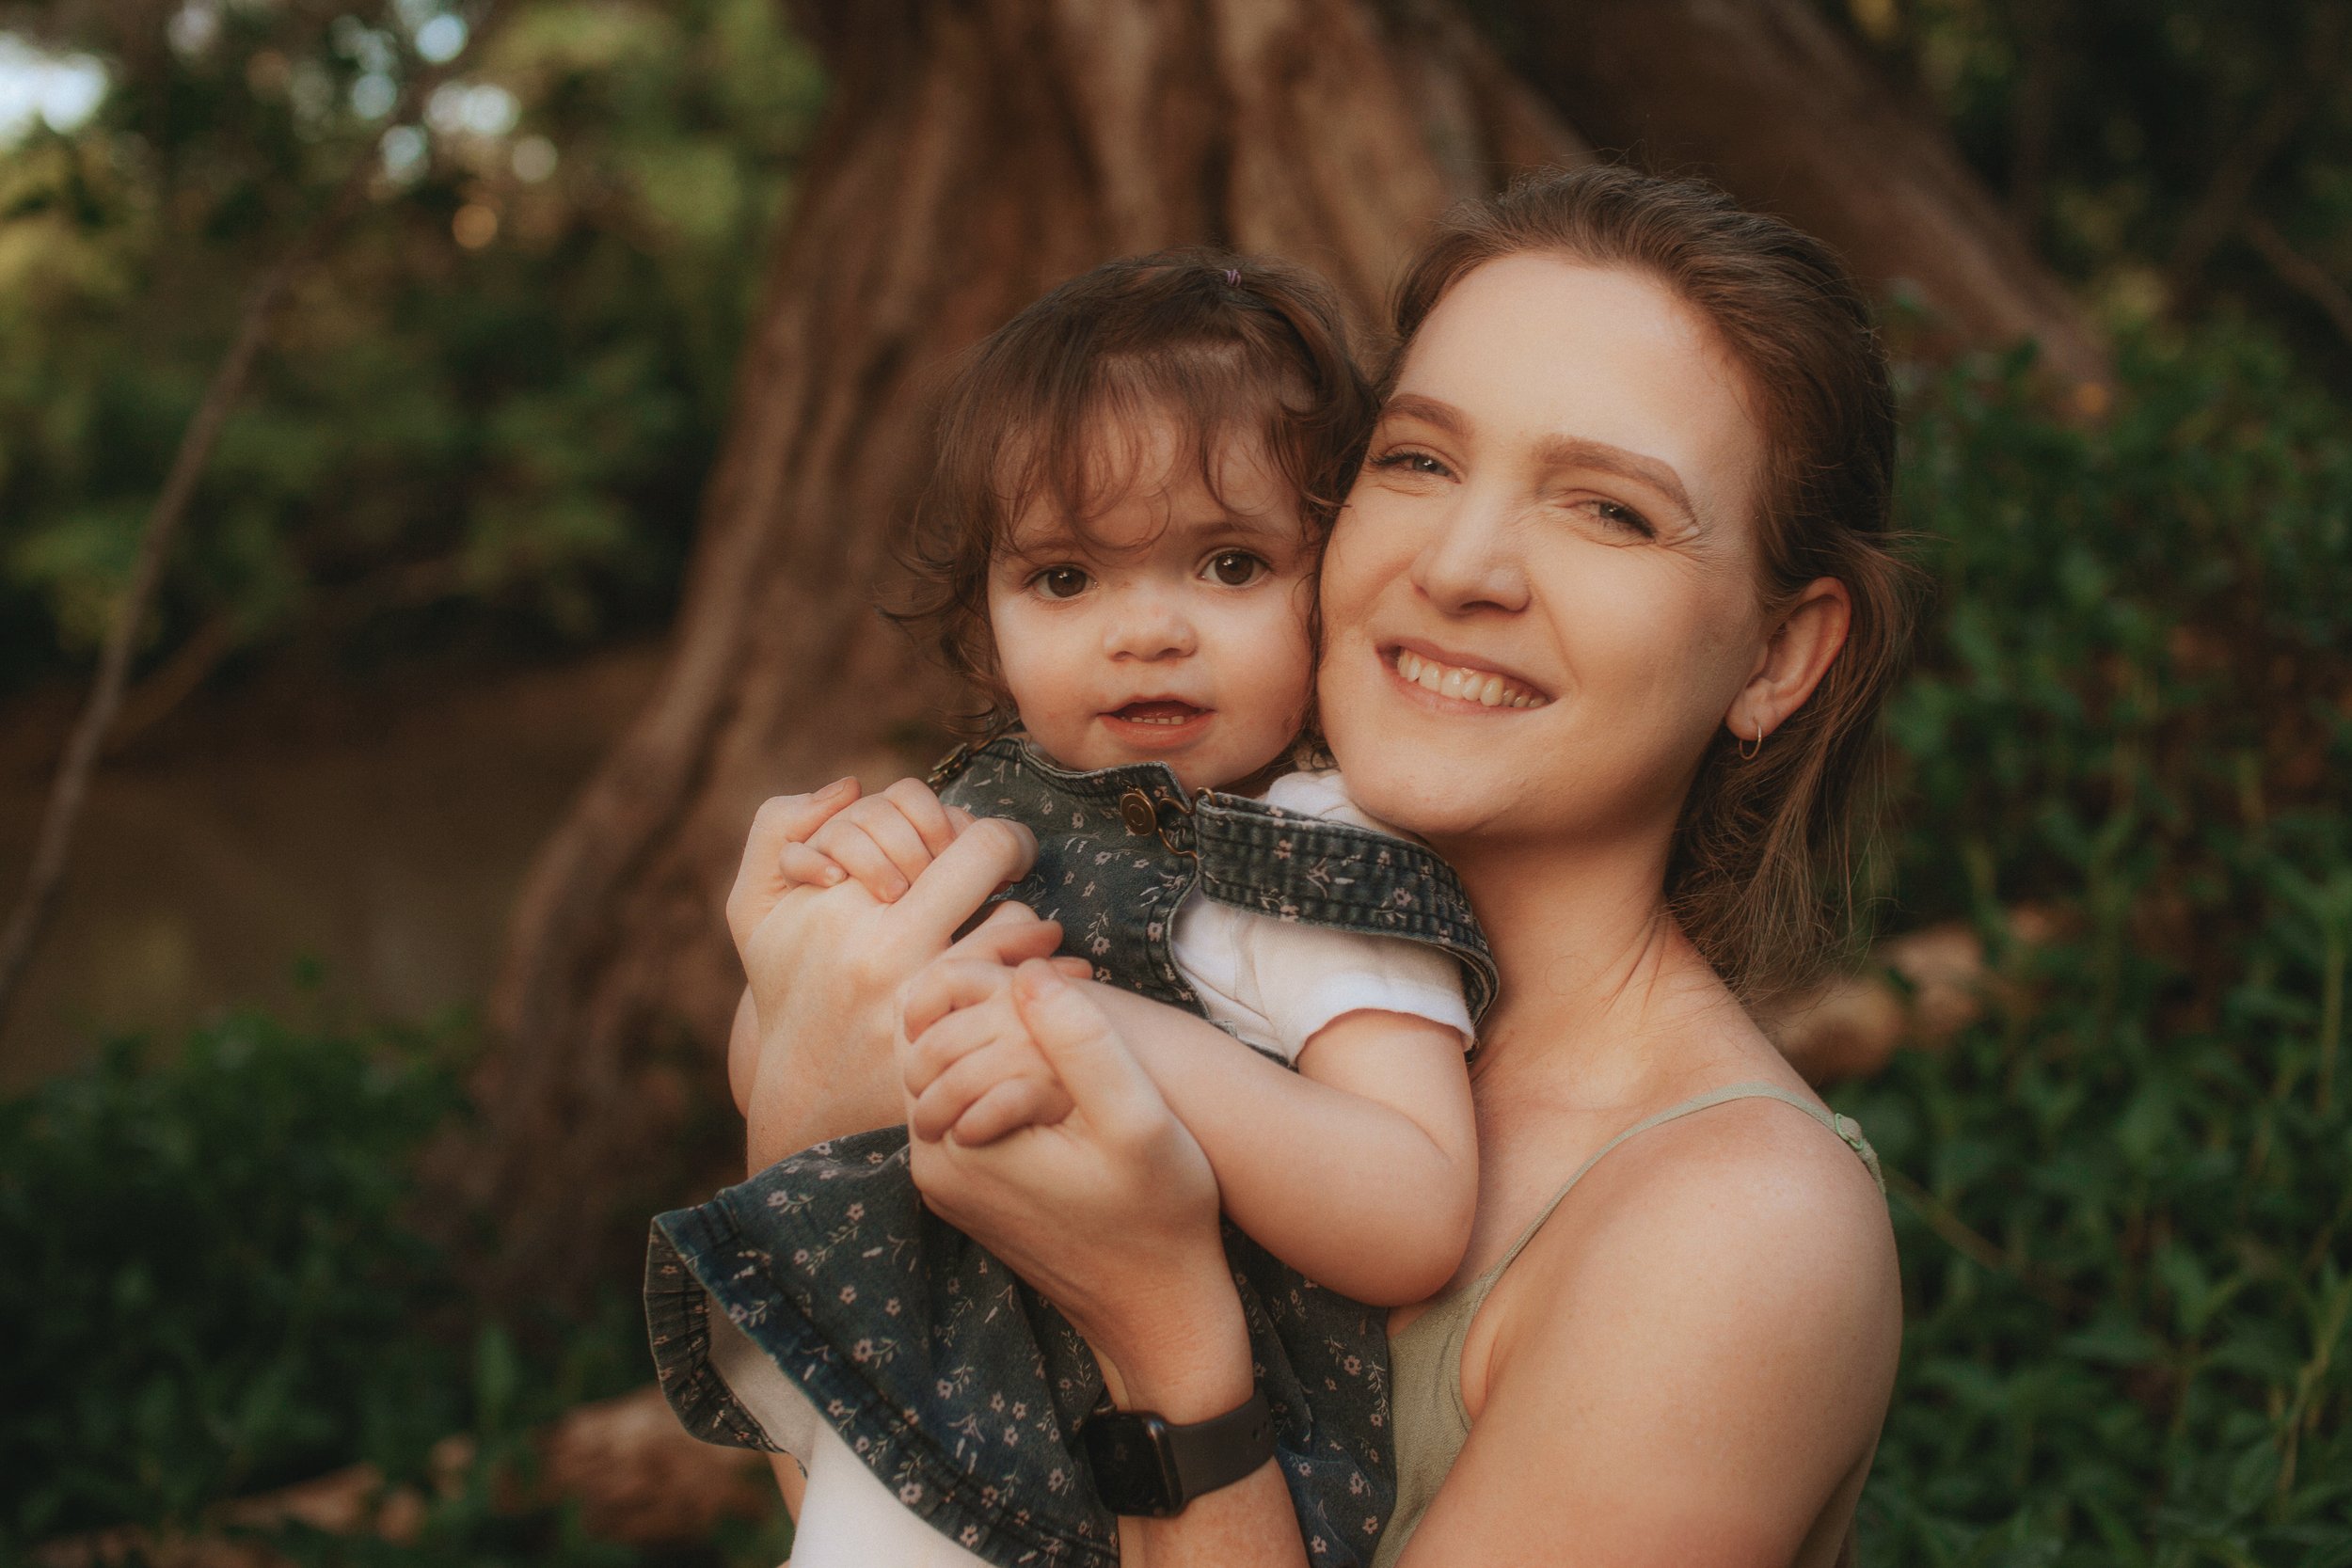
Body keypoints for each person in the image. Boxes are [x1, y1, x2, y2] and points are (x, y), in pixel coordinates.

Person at [727, 166, 1916, 1565]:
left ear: (1779, 654)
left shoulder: (1730, 1234)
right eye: (1418, 461)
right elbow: (866, 1518)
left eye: (1610, 511)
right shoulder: (1141, 919)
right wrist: (811, 1067)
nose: (1464, 564)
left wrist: (1164, 1332)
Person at [646, 252, 1501, 1567]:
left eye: (1227, 564)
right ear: (987, 630)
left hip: (1163, 1473)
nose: (1145, 631)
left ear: (1333, 585)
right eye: (1064, 580)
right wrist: (804, 963)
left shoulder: (1314, 852)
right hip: (925, 1418)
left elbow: (1412, 1209)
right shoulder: (983, 817)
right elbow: (800, 1088)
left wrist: (1130, 1041)